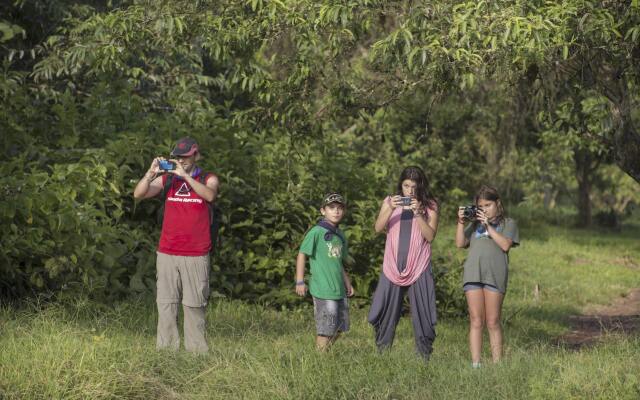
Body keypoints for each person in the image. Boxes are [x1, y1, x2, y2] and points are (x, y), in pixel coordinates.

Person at [133, 137, 219, 353]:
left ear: (196, 155)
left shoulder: (208, 178)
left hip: (196, 253)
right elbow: (139, 193)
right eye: (178, 157)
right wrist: (151, 173)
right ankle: (166, 352)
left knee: (194, 305)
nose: (181, 160)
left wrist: (185, 176)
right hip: (167, 252)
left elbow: (209, 194)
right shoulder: (167, 180)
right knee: (166, 303)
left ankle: (197, 354)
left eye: (186, 157)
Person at [368, 166, 439, 360]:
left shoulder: (430, 205)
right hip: (392, 265)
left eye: (414, 186)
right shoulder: (390, 201)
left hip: (419, 266)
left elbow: (430, 236)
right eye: (406, 185)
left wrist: (418, 214)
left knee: (423, 313)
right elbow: (377, 228)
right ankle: (382, 355)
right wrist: (391, 207)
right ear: (401, 184)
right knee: (385, 309)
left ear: (420, 186)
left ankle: (423, 357)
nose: (410, 190)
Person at [455, 185, 519, 368]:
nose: (484, 209)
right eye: (481, 206)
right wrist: (460, 222)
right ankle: (476, 364)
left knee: (492, 321)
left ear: (497, 203)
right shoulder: (473, 224)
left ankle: (497, 364)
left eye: (488, 205)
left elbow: (505, 245)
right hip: (473, 273)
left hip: (495, 275)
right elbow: (460, 243)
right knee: (476, 320)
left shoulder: (508, 223)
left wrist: (488, 226)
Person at [295, 192, 354, 351]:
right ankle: (319, 358)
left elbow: (338, 261)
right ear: (323, 211)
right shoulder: (316, 232)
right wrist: (300, 281)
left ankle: (323, 352)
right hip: (322, 288)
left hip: (339, 289)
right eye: (332, 207)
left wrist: (347, 282)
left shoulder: (340, 235)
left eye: (340, 208)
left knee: (341, 326)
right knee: (326, 328)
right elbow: (302, 255)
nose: (336, 211)